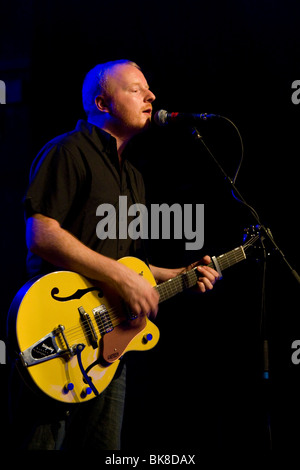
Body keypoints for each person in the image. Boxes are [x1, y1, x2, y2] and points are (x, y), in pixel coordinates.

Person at [10, 59, 219, 450]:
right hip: (55, 331)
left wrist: (178, 275)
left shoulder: (134, 177)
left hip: (109, 346)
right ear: (103, 103)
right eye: (136, 89)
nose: (152, 96)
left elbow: (128, 265)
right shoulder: (67, 151)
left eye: (149, 89)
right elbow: (40, 233)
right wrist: (122, 278)